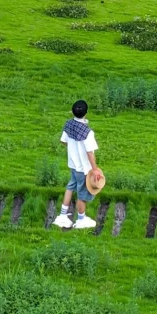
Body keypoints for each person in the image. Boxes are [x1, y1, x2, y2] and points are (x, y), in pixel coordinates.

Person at [53, 98, 100, 229]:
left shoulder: (68, 124)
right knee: (82, 194)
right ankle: (81, 220)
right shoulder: (88, 133)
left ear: (72, 112)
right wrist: (95, 170)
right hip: (83, 168)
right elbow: (90, 153)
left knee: (70, 186)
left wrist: (73, 146)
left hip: (72, 164)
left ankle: (62, 216)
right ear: (86, 113)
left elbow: (63, 141)